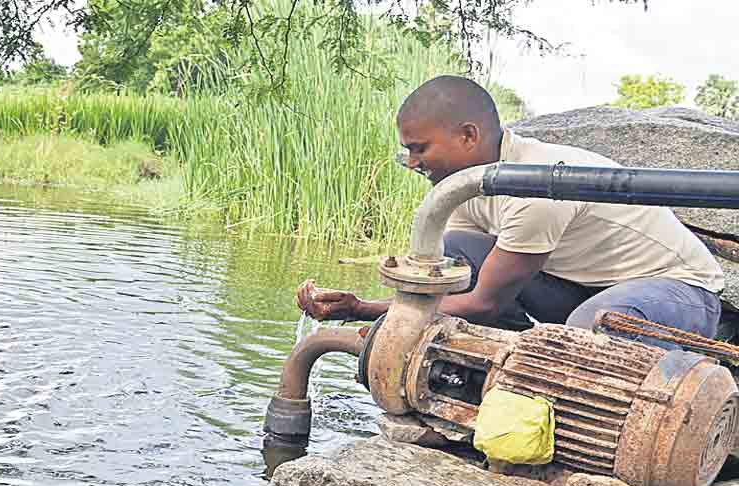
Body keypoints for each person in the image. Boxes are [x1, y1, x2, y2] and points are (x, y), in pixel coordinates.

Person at [296, 75, 725, 343]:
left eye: (419, 148)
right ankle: (501, 361)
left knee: (590, 329)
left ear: (467, 135)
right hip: (582, 283)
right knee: (456, 247)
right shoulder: (463, 188)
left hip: (679, 292)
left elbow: (482, 303)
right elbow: (452, 290)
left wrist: (365, 309)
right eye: (406, 151)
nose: (411, 163)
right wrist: (370, 309)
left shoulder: (536, 183)